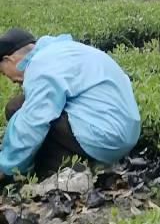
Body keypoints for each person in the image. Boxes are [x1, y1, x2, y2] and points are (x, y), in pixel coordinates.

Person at [0, 29, 141, 182]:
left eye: (2, 72)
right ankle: (91, 161)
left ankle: (70, 170)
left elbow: (33, 121)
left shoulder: (41, 67)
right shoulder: (62, 50)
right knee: (18, 105)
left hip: (105, 137)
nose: (8, 79)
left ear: (8, 60)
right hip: (125, 133)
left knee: (27, 117)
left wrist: (6, 168)